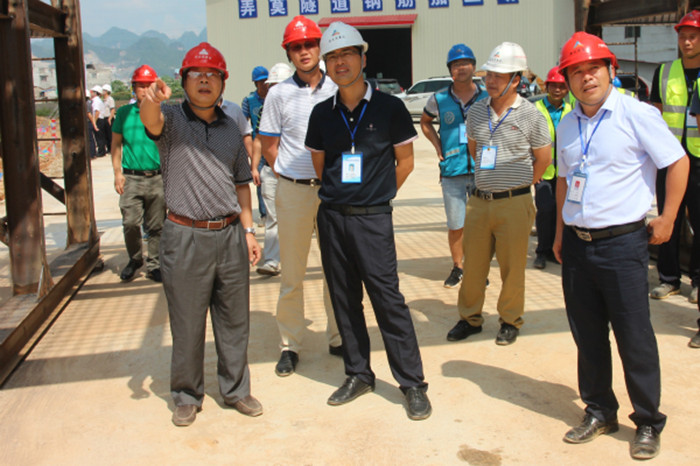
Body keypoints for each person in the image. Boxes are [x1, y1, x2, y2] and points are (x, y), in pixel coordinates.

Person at [554, 32, 688, 460]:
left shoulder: (636, 114)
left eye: (593, 68)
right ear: (567, 80)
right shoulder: (567, 123)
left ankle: (647, 420)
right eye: (576, 71)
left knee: (634, 337)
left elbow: (677, 161)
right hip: (578, 246)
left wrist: (668, 217)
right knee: (588, 335)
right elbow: (563, 181)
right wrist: (559, 232)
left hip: (623, 245)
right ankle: (599, 411)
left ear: (610, 70)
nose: (586, 77)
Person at [306, 22, 431, 420]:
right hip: (332, 219)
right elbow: (321, 165)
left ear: (362, 56)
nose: (339, 62)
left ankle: (412, 383)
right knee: (344, 300)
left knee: (387, 300)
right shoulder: (321, 114)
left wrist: (374, 196)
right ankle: (358, 374)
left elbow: (405, 163)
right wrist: (344, 197)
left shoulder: (390, 108)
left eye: (346, 54)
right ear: (325, 65)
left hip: (373, 220)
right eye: (332, 57)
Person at [140, 42, 263, 427]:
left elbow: (242, 184)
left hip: (229, 234)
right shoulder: (172, 119)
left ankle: (236, 390)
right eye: (197, 74)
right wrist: (152, 97)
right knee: (187, 322)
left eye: (213, 75)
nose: (205, 81)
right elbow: (150, 120)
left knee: (234, 320)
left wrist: (248, 231)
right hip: (184, 235)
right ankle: (187, 394)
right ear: (184, 81)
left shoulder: (231, 129)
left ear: (223, 83)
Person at [445, 42, 550, 346]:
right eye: (489, 74)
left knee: (512, 268)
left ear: (516, 79)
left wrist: (518, 186)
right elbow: (475, 150)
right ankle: (469, 318)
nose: (490, 81)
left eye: (498, 76)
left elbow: (543, 159)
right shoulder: (477, 111)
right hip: (479, 202)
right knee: (473, 266)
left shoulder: (531, 115)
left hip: (514, 204)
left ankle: (510, 320)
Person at [258, 15, 342, 377]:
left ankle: (338, 336)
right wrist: (291, 176)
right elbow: (269, 146)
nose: (304, 51)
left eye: (310, 44)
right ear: (289, 53)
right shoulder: (278, 94)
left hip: (333, 192)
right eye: (296, 47)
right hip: (293, 191)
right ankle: (290, 344)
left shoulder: (337, 87)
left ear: (319, 47)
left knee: (336, 269)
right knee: (292, 272)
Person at [420, 44, 487, 288]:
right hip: (452, 171)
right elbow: (425, 122)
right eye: (456, 64)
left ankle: (479, 268)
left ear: (474, 66)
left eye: (465, 63)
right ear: (450, 70)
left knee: (481, 225)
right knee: (456, 224)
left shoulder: (487, 97)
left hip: (482, 171)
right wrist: (438, 146)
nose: (461, 68)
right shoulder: (439, 99)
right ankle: (458, 267)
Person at [649, 10, 700, 304]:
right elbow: (655, 114)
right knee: (669, 217)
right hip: (669, 158)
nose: (687, 42)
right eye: (683, 37)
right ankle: (669, 279)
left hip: (699, 159)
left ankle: (698, 280)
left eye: (693, 36)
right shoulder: (665, 72)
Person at [111, 65, 165, 283]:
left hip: (157, 177)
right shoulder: (124, 113)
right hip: (131, 177)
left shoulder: (163, 113)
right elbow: (116, 144)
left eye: (148, 85)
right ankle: (135, 259)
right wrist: (117, 173)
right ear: (133, 88)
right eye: (140, 86)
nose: (144, 90)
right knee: (130, 222)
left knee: (157, 225)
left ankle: (155, 264)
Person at [251, 63, 294, 277]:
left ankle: (294, 261)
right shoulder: (265, 111)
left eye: (279, 85)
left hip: (296, 176)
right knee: (273, 218)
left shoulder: (302, 109)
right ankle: (271, 261)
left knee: (298, 219)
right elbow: (259, 140)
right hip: (271, 172)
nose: (274, 90)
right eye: (272, 86)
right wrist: (254, 167)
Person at [532, 66, 572, 270]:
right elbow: (525, 139)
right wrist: (533, 168)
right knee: (545, 210)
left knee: (562, 210)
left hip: (565, 173)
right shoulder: (534, 109)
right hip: (544, 172)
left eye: (562, 86)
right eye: (553, 86)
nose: (557, 90)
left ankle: (558, 249)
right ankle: (542, 251)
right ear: (546, 86)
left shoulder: (571, 110)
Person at [242, 66, 269, 227]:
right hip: (257, 147)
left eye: (266, 81)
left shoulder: (274, 97)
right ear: (255, 83)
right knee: (259, 181)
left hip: (274, 146)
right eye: (260, 82)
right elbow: (245, 127)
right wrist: (251, 153)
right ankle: (264, 213)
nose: (264, 84)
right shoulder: (249, 101)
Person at [90, 85, 108, 157]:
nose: (91, 93)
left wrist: (94, 122)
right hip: (100, 119)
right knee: (100, 136)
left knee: (99, 137)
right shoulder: (98, 100)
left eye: (92, 92)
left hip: (98, 120)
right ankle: (102, 150)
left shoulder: (96, 101)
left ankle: (101, 151)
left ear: (95, 93)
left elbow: (97, 112)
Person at [102, 84, 115, 154]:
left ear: (107, 91)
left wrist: (110, 119)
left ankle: (112, 149)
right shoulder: (103, 100)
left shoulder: (110, 99)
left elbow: (112, 110)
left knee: (110, 135)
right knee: (106, 135)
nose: (102, 92)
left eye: (104, 90)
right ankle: (108, 148)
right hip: (104, 118)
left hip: (109, 118)